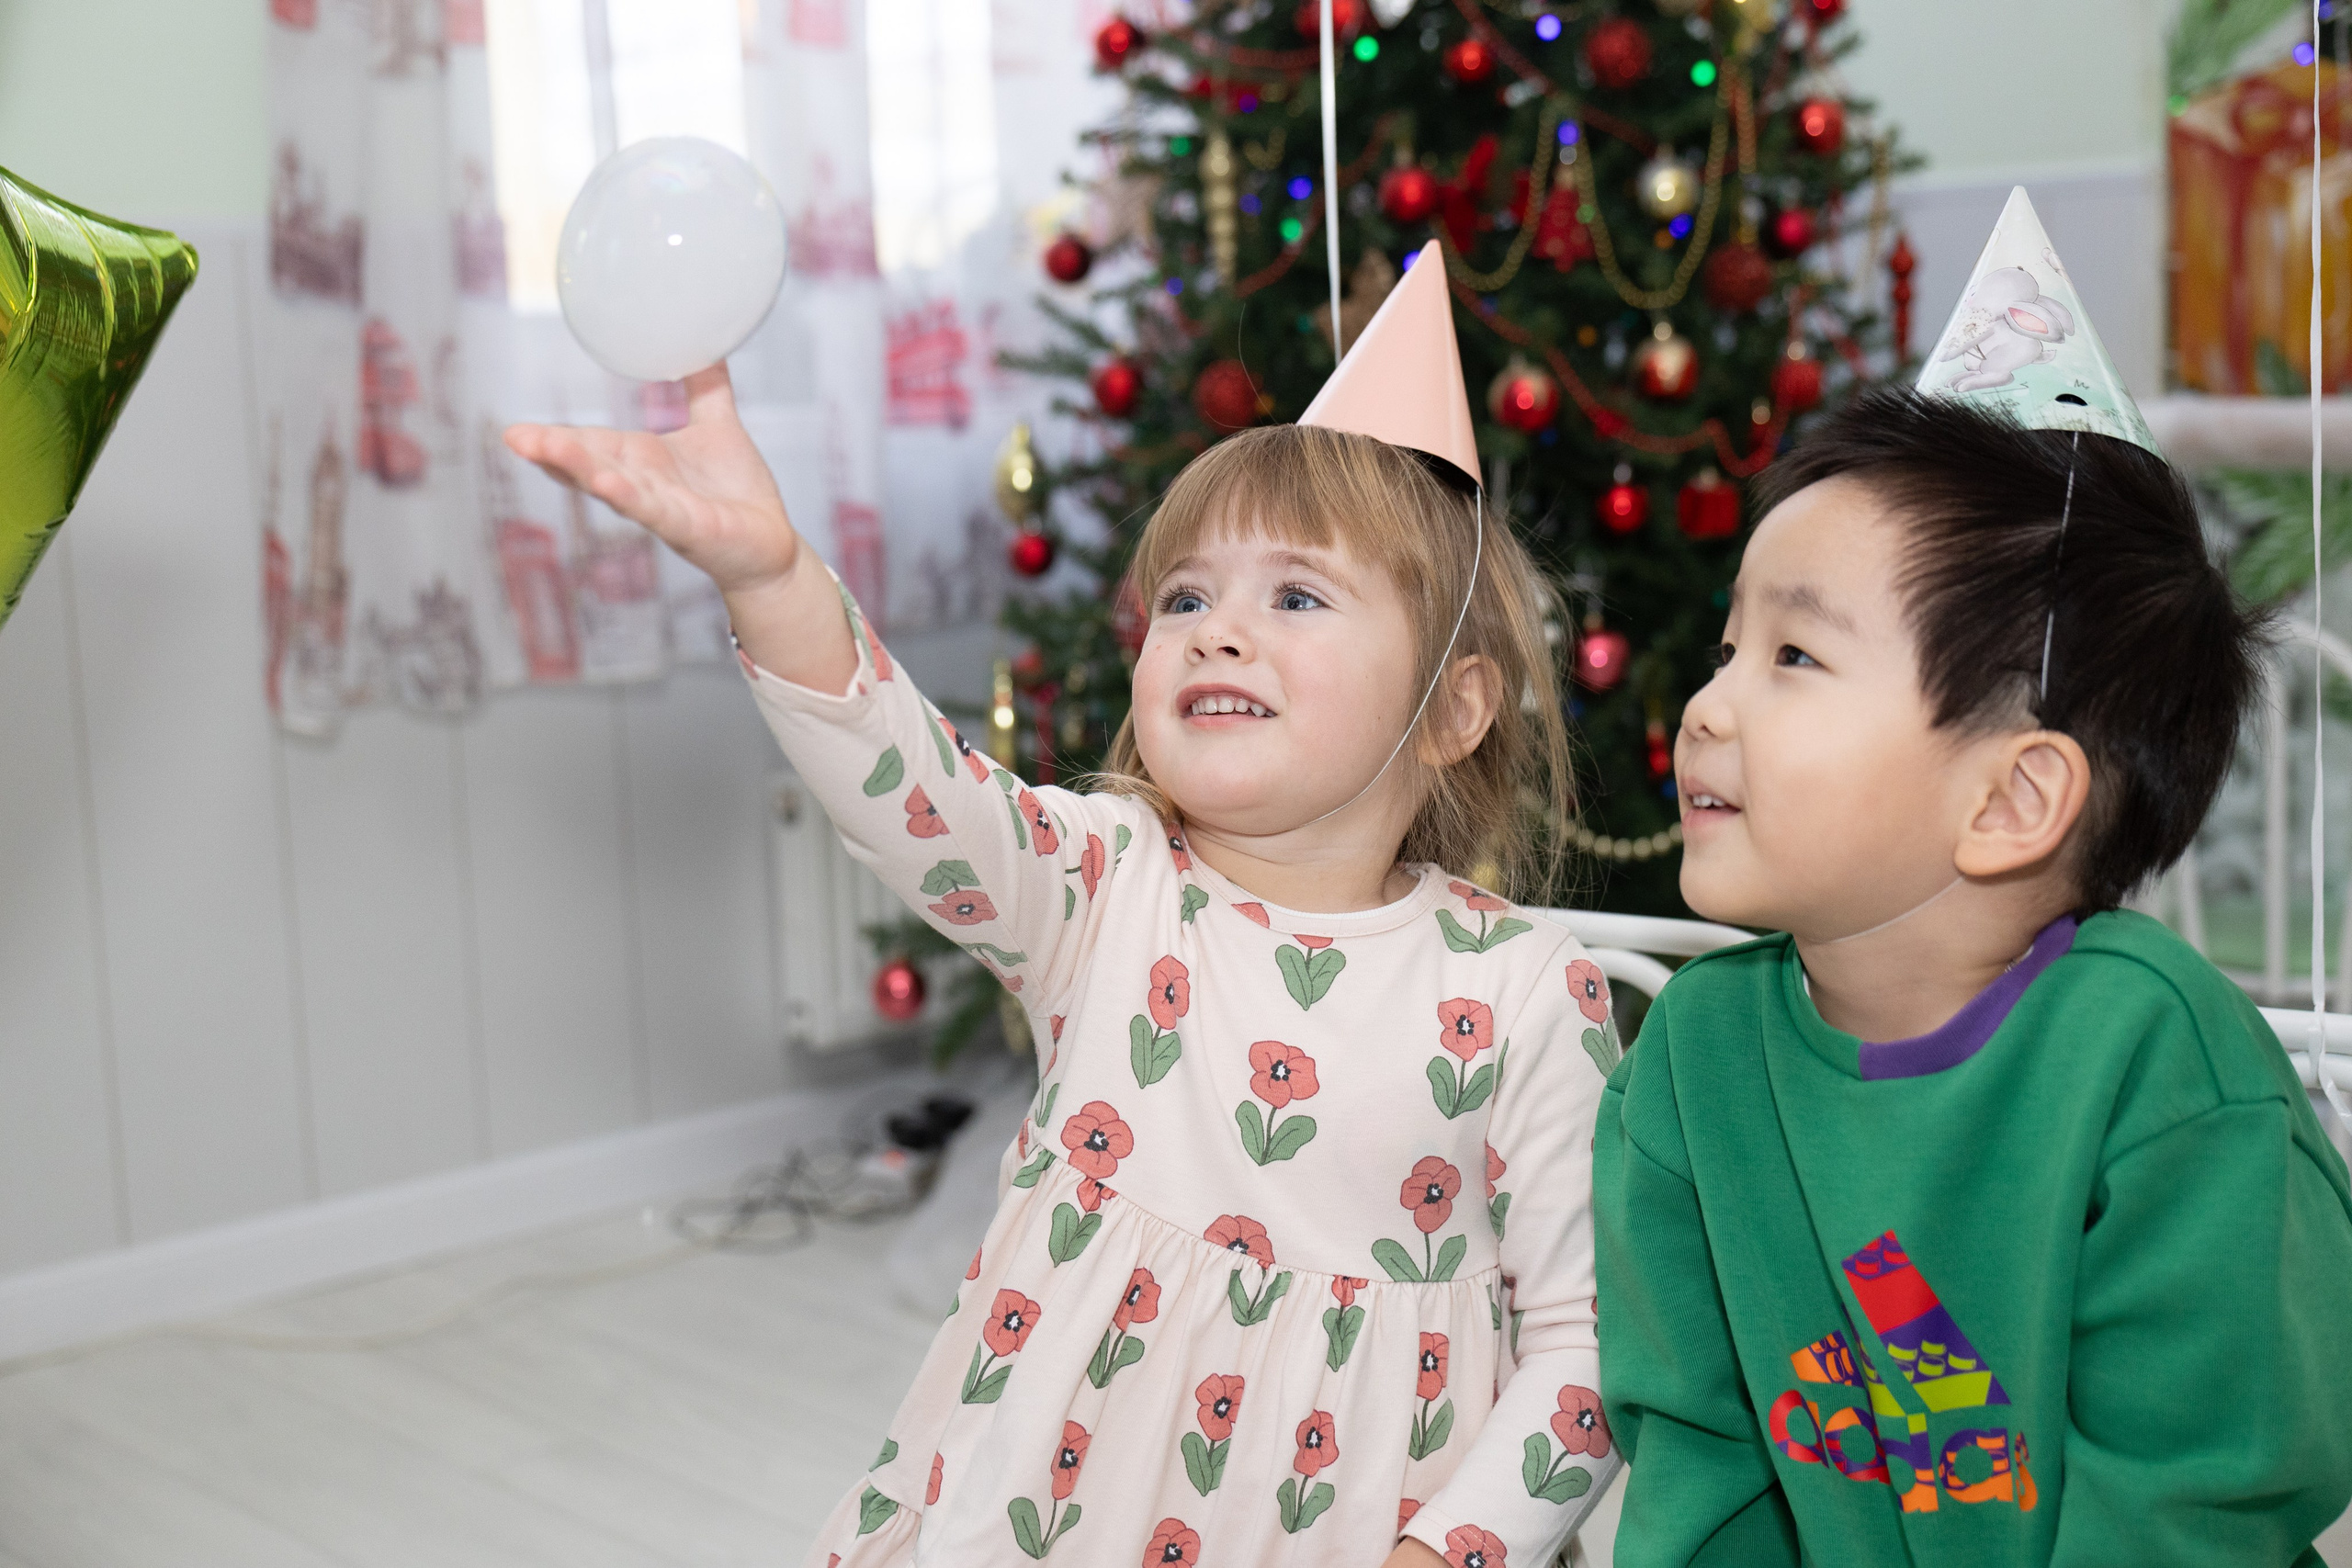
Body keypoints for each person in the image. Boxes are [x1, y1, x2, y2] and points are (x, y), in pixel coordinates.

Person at [508, 243, 1625, 1567]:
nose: (1214, 629)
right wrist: (770, 577)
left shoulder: (1524, 988)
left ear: (1452, 709)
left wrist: (1448, 1552)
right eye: (1189, 596)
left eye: (1298, 595)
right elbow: (903, 783)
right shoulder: (1105, 886)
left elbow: (1585, 1350)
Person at [1594, 188, 2352, 1566]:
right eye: (1724, 649)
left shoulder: (2157, 1068)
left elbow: (2195, 1502)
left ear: (2011, 798)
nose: (1704, 708)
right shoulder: (1694, 1060)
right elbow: (1698, 1457)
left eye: (1794, 659)